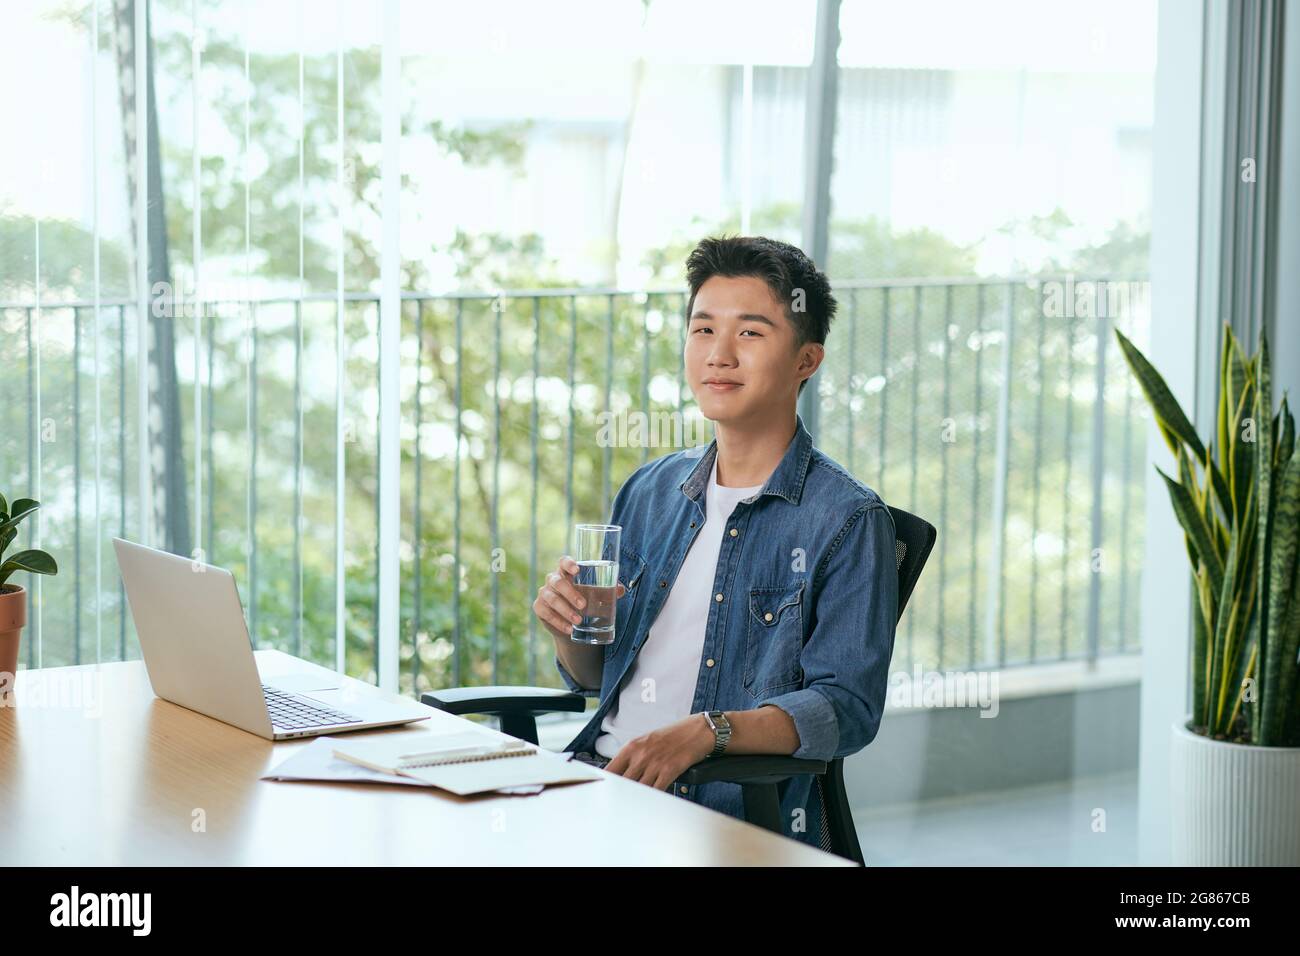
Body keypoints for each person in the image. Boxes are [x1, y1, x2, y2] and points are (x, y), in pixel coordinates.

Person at [533, 235, 899, 851]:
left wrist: (709, 731)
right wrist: (569, 634)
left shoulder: (848, 520)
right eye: (703, 330)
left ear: (807, 360)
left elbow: (846, 709)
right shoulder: (651, 490)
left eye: (751, 334)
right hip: (596, 787)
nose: (719, 355)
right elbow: (595, 677)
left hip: (711, 819)